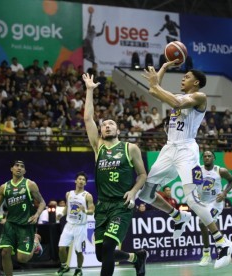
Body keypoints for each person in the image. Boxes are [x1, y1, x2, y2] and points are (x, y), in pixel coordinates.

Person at [141, 61, 232, 269]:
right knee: (144, 194)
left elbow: (173, 101)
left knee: (191, 200)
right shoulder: (180, 96)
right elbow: (153, 90)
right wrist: (163, 68)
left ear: (197, 82)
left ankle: (223, 243)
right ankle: (177, 215)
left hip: (187, 151)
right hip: (169, 149)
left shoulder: (200, 97)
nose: (183, 79)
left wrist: (157, 83)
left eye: (186, 77)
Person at [83, 74, 149, 276]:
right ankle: (136, 258)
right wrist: (90, 90)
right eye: (104, 125)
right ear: (101, 131)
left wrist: (133, 191)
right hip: (102, 205)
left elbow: (143, 175)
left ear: (118, 129)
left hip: (121, 205)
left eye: (111, 123)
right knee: (102, 255)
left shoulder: (130, 148)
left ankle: (135, 258)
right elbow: (87, 118)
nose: (107, 126)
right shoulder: (98, 147)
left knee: (110, 245)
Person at [0, 160, 46, 276]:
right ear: (12, 169)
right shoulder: (4, 187)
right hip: (10, 224)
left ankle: (35, 242)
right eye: (16, 166)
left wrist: (36, 215)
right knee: (5, 252)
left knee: (22, 258)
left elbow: (42, 202)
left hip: (25, 225)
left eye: (22, 166)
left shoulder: (30, 184)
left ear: (24, 171)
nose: (19, 168)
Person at [197, 150, 232, 267]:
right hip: (203, 203)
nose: (207, 158)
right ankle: (225, 248)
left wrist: (224, 192)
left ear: (214, 158)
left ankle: (207, 254)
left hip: (215, 202)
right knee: (209, 226)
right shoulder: (198, 170)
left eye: (209, 156)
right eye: (205, 156)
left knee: (203, 223)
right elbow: (195, 184)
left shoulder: (221, 170)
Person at [56, 172, 94, 276]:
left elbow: (92, 210)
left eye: (83, 180)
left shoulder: (87, 196)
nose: (81, 181)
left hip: (81, 227)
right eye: (79, 179)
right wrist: (61, 214)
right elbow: (67, 207)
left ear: (85, 183)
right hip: (69, 225)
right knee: (61, 248)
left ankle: (79, 269)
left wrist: (85, 210)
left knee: (78, 251)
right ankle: (64, 266)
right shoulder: (69, 194)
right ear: (75, 181)